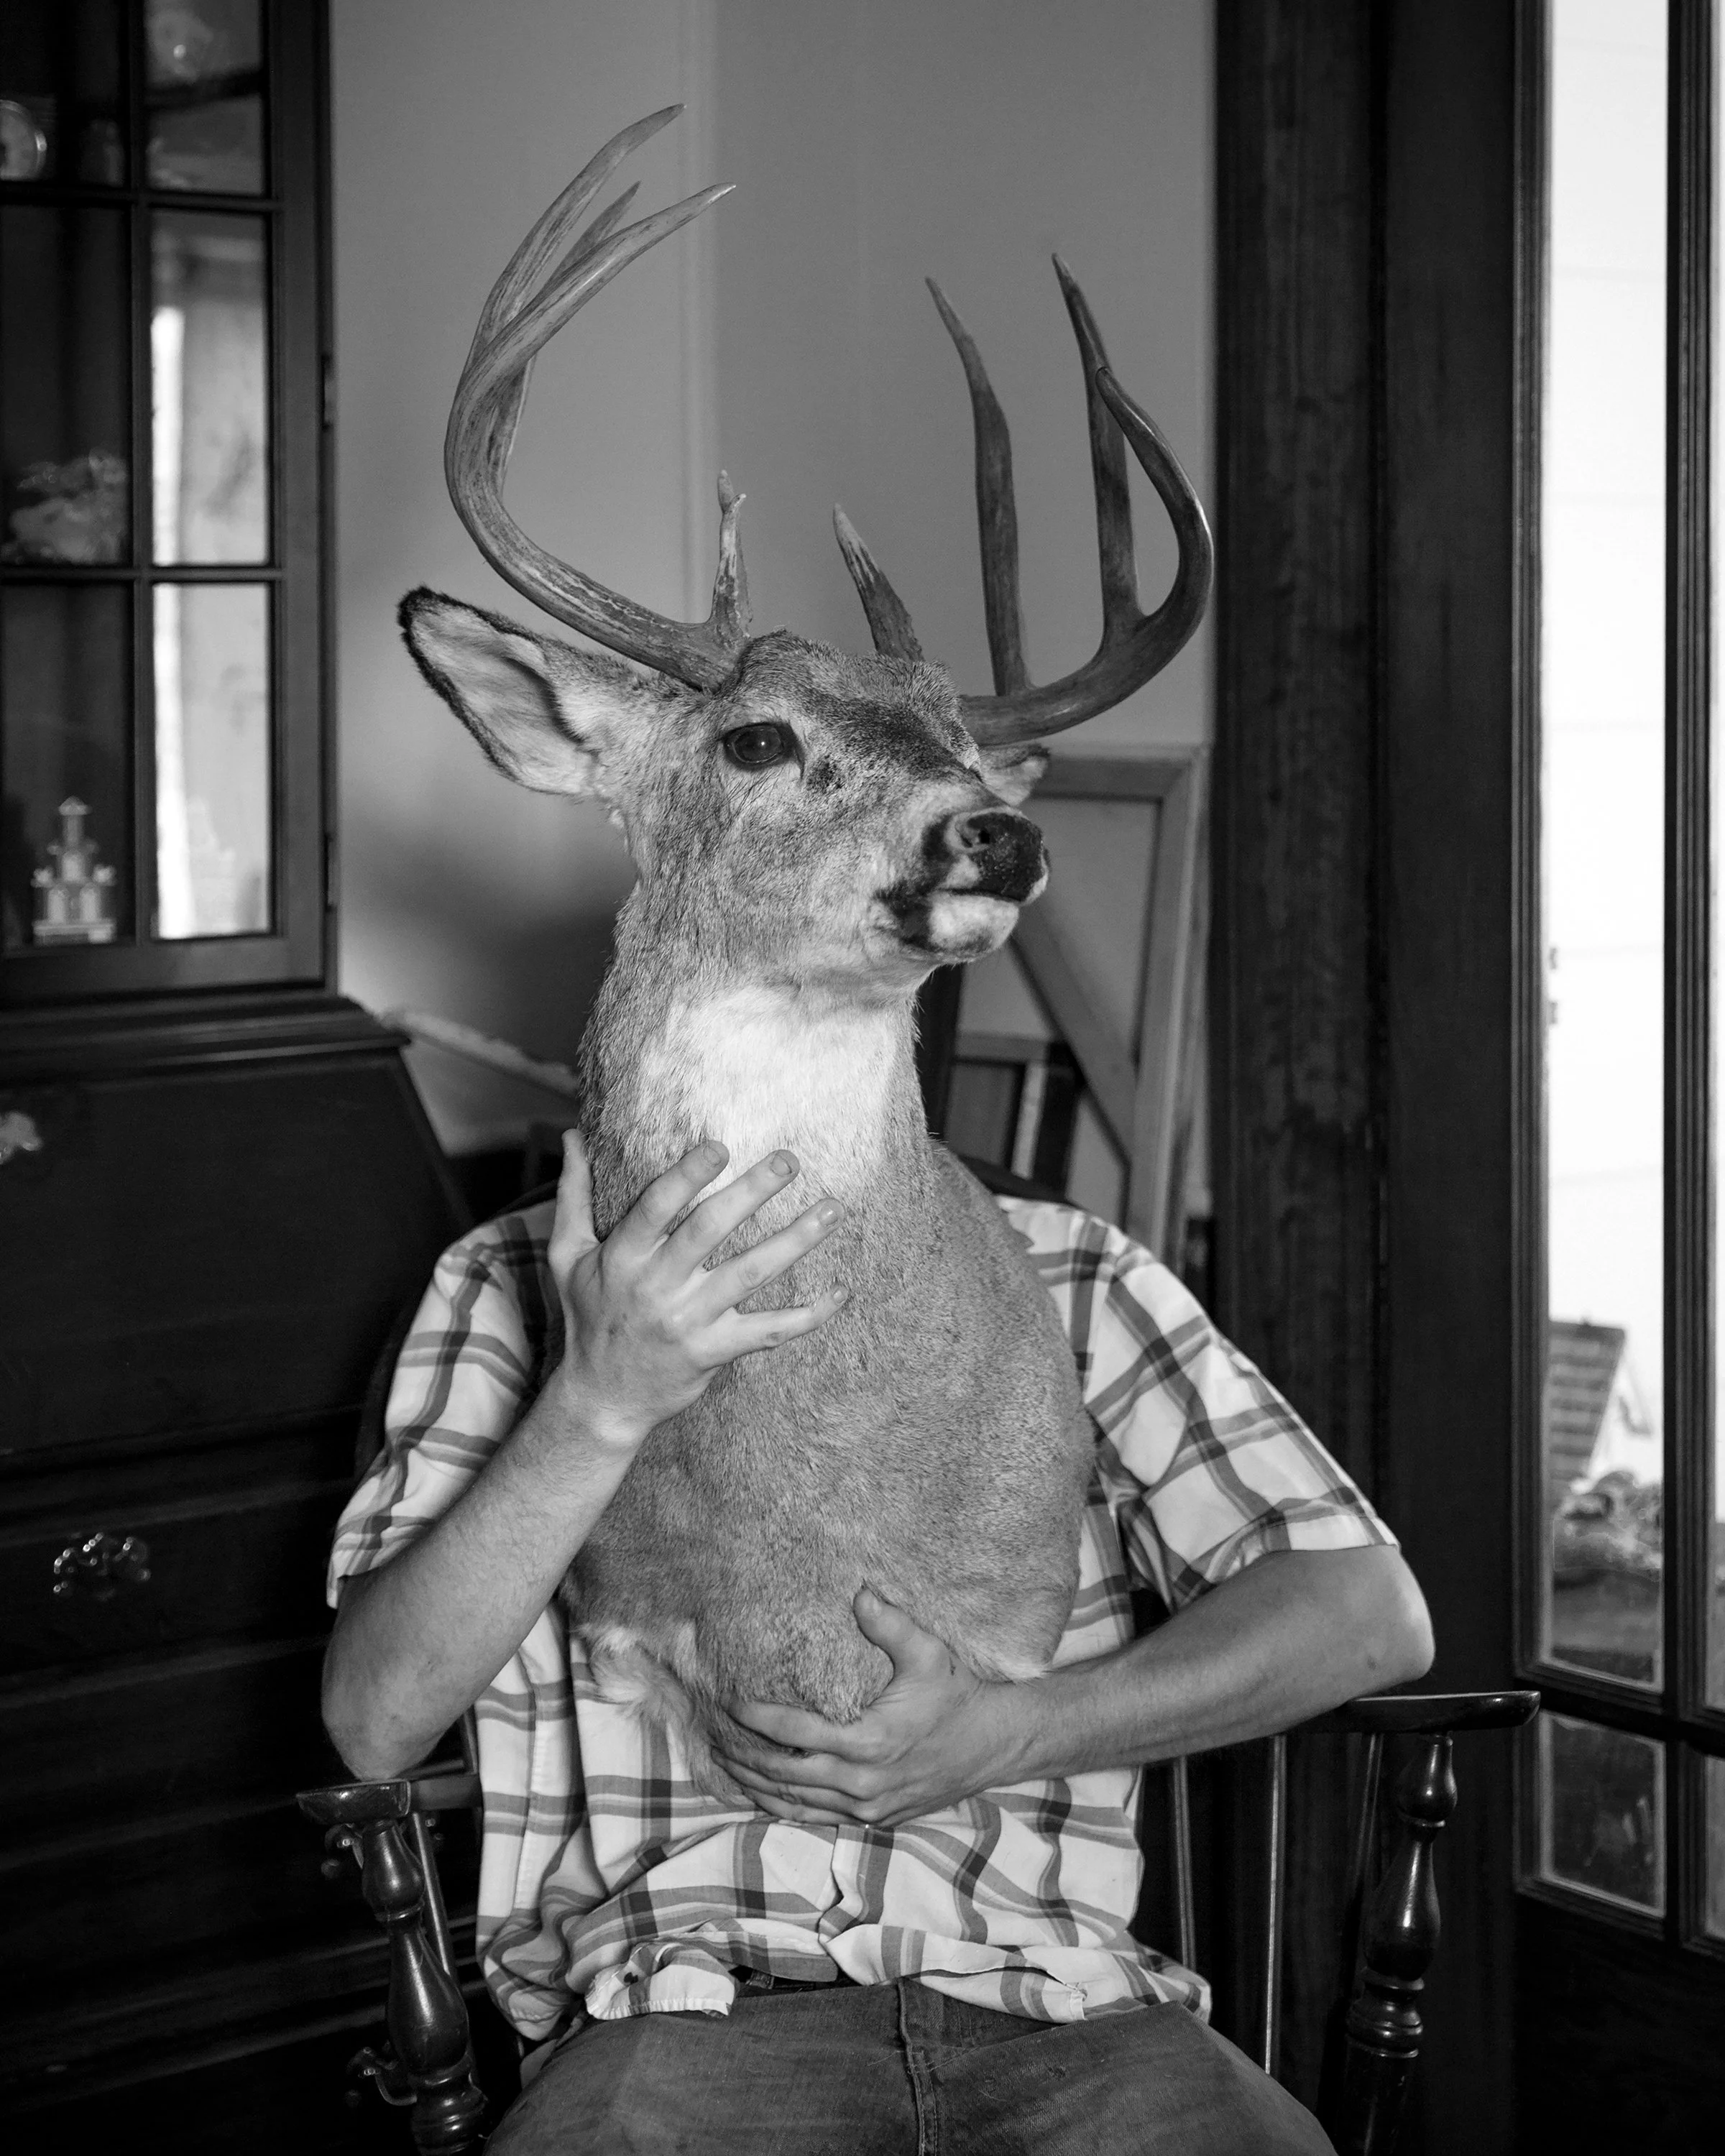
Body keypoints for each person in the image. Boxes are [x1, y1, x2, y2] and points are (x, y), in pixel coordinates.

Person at [322, 1133, 1433, 2154]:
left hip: (1071, 2011)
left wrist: (1010, 1736)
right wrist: (597, 1400)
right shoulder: (507, 1285)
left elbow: (1368, 1616)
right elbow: (375, 1720)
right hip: (676, 2016)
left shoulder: (1064, 1269)